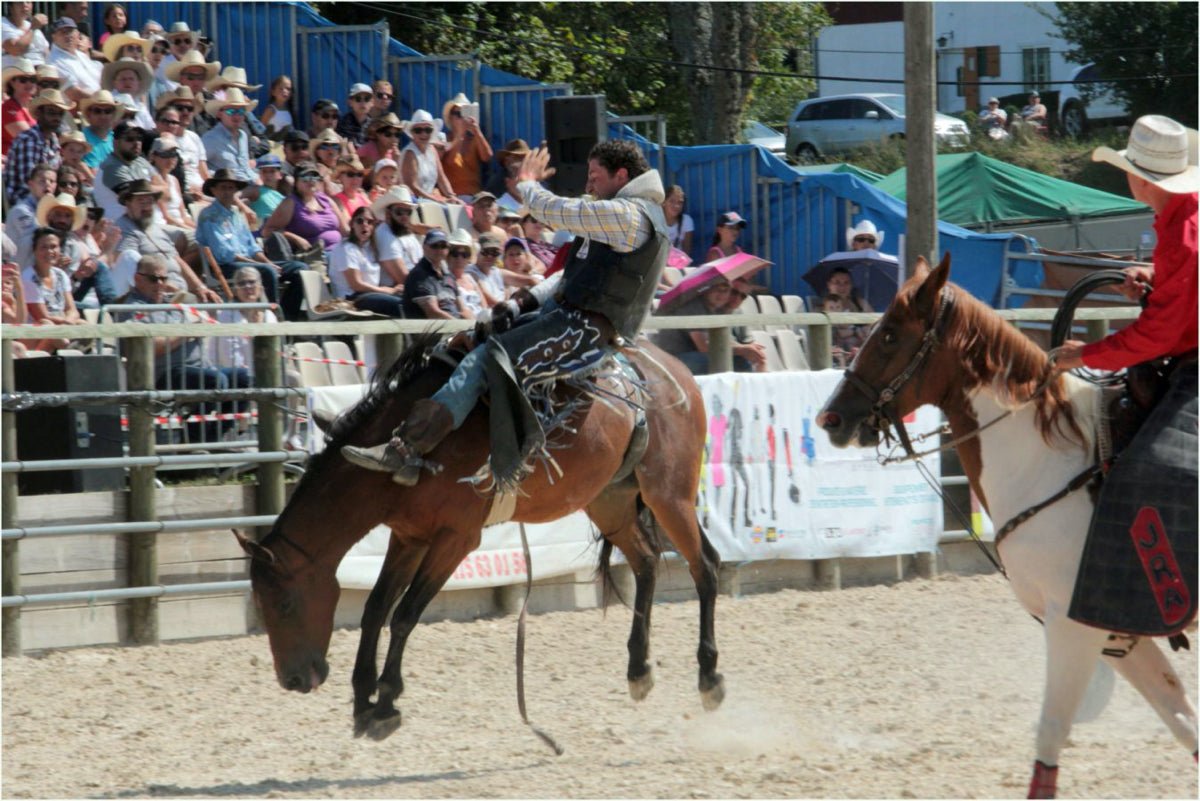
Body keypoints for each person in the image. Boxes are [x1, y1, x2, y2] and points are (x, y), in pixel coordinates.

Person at [343, 140, 670, 484]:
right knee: (461, 341)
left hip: (584, 332)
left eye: (595, 176)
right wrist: (519, 303)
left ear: (621, 176)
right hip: (568, 320)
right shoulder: (624, 215)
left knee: (485, 358)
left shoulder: (629, 215)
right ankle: (374, 426)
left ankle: (405, 451)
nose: (589, 184)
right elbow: (569, 276)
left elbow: (558, 212)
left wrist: (527, 183)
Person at [115, 253, 246, 442]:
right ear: (137, 278)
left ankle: (212, 440)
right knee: (215, 381)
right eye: (153, 279)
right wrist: (186, 332)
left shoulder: (173, 302)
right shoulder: (132, 308)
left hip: (197, 367)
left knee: (242, 379)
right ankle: (193, 444)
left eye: (163, 278)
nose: (159, 284)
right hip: (161, 374)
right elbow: (151, 347)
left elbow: (198, 308)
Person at [195, 168, 309, 320]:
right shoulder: (209, 215)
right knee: (267, 272)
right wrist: (265, 266)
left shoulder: (237, 214)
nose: (227, 192)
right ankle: (272, 316)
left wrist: (269, 263)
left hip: (247, 262)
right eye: (223, 187)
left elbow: (252, 247)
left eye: (231, 188)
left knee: (300, 269)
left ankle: (287, 315)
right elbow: (225, 254)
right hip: (224, 266)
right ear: (214, 190)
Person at [110, 177, 216, 301]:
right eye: (141, 202)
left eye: (149, 202)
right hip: (152, 294)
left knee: (212, 301)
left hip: (179, 292)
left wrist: (200, 287)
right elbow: (127, 263)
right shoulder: (123, 228)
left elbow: (178, 261)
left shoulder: (155, 228)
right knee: (129, 255)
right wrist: (171, 289)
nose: (146, 207)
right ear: (128, 203)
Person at [650, 278, 766, 375]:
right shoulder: (693, 306)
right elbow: (704, 346)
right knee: (739, 361)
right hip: (673, 358)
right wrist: (742, 350)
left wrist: (749, 350)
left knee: (752, 357)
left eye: (726, 291)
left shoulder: (715, 309)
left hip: (693, 355)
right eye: (718, 290)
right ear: (706, 289)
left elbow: (722, 342)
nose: (722, 295)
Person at [206, 265, 276, 387]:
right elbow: (230, 358)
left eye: (252, 282)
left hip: (262, 371)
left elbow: (276, 351)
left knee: (293, 378)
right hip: (230, 373)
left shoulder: (269, 315)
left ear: (260, 287)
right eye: (242, 283)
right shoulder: (227, 316)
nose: (247, 286)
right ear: (235, 290)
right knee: (244, 377)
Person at [327, 205, 403, 317]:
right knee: (399, 305)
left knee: (410, 300)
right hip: (352, 299)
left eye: (370, 222)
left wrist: (393, 289)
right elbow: (356, 284)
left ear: (374, 226)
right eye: (360, 221)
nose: (365, 225)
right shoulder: (346, 248)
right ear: (352, 224)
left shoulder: (370, 248)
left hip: (370, 295)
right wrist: (386, 291)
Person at [262, 160, 348, 256]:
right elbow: (267, 231)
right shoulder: (290, 203)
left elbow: (345, 230)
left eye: (314, 176)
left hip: (340, 251)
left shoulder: (326, 200)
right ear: (296, 181)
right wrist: (295, 238)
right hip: (317, 256)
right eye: (305, 177)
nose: (310, 180)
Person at [4, 88, 67, 204]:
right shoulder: (29, 140)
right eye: (52, 112)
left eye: (60, 113)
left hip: (45, 199)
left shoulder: (53, 140)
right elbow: (30, 186)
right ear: (39, 113)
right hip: (23, 202)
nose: (57, 118)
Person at [22, 226, 85, 337]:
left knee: (85, 326)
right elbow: (43, 316)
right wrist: (67, 324)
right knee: (50, 327)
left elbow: (72, 309)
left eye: (53, 247)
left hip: (63, 324)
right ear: (35, 250)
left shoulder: (61, 275)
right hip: (38, 331)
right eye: (44, 247)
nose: (49, 251)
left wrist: (69, 321)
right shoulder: (28, 277)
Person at [92, 118, 153, 222]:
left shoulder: (140, 161)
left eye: (139, 138)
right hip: (120, 225)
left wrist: (148, 189)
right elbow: (136, 198)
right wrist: (154, 189)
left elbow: (167, 191)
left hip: (143, 222)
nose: (136, 143)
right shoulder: (111, 167)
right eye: (130, 139)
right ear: (115, 142)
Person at [200, 87, 258, 193]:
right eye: (231, 111)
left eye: (240, 111)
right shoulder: (211, 138)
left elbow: (245, 168)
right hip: (229, 192)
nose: (236, 115)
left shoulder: (243, 135)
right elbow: (199, 165)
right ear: (220, 113)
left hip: (249, 184)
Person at [400, 228, 465, 320]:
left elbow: (463, 309)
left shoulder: (449, 275)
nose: (439, 250)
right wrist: (460, 326)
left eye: (443, 246)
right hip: (434, 331)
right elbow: (433, 313)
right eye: (434, 246)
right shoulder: (419, 275)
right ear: (424, 247)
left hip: (455, 327)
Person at [399, 109, 461, 204]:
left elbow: (441, 178)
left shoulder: (432, 150)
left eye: (428, 130)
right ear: (412, 133)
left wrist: (452, 196)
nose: (424, 134)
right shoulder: (409, 153)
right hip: (412, 203)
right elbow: (412, 187)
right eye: (418, 130)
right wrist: (438, 200)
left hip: (430, 201)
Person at [441, 92, 492, 201]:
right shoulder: (444, 138)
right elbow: (449, 161)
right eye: (458, 114)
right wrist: (460, 135)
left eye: (465, 114)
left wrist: (477, 130)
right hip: (454, 197)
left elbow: (487, 157)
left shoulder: (474, 139)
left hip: (475, 197)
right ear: (450, 117)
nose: (462, 118)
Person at [371, 184, 422, 289]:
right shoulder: (384, 236)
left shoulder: (406, 232)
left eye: (408, 212)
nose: (405, 216)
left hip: (416, 284)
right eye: (399, 212)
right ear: (388, 213)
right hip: (397, 290)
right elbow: (403, 279)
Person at [45, 16, 100, 102]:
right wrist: (101, 101)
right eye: (63, 32)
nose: (68, 36)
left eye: (71, 31)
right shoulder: (54, 61)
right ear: (54, 37)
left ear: (78, 34)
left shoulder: (81, 55)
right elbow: (73, 93)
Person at [147, 133, 194, 230]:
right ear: (153, 156)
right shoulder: (153, 179)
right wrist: (190, 231)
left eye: (174, 154)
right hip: (167, 226)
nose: (170, 159)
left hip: (180, 225)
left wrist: (198, 230)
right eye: (165, 155)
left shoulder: (174, 180)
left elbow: (183, 215)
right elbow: (167, 217)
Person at [101, 57, 154, 129]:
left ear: (138, 83)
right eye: (123, 79)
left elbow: (151, 128)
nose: (127, 82)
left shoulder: (141, 107)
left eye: (131, 79)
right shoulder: (109, 102)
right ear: (114, 83)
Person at [2, 56, 36, 156]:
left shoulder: (35, 106)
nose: (29, 83)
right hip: (13, 163)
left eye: (33, 79)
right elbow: (27, 139)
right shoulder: (8, 108)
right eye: (23, 79)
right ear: (12, 82)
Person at [446, 229, 483, 318]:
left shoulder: (471, 278)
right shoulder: (446, 280)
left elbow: (484, 305)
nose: (460, 258)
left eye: (465, 254)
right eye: (455, 253)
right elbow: (461, 312)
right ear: (447, 255)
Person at [247, 153, 285, 230]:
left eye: (272, 171)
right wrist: (245, 208)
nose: (268, 175)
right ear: (260, 174)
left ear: (280, 175)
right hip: (260, 234)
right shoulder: (255, 190)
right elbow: (234, 197)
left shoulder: (284, 198)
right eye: (264, 171)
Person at [468, 232, 506, 307]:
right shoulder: (470, 272)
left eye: (494, 253)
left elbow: (527, 280)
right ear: (478, 251)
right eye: (486, 252)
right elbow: (487, 298)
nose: (489, 256)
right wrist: (507, 307)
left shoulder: (496, 271)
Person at [336, 82, 373, 147]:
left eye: (367, 99)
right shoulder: (341, 124)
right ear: (350, 102)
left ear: (372, 103)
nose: (363, 102)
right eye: (358, 99)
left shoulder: (375, 125)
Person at [662, 183, 694, 255]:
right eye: (672, 201)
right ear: (663, 202)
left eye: (680, 202)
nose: (676, 206)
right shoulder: (656, 221)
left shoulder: (686, 221)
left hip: (677, 264)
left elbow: (686, 254)